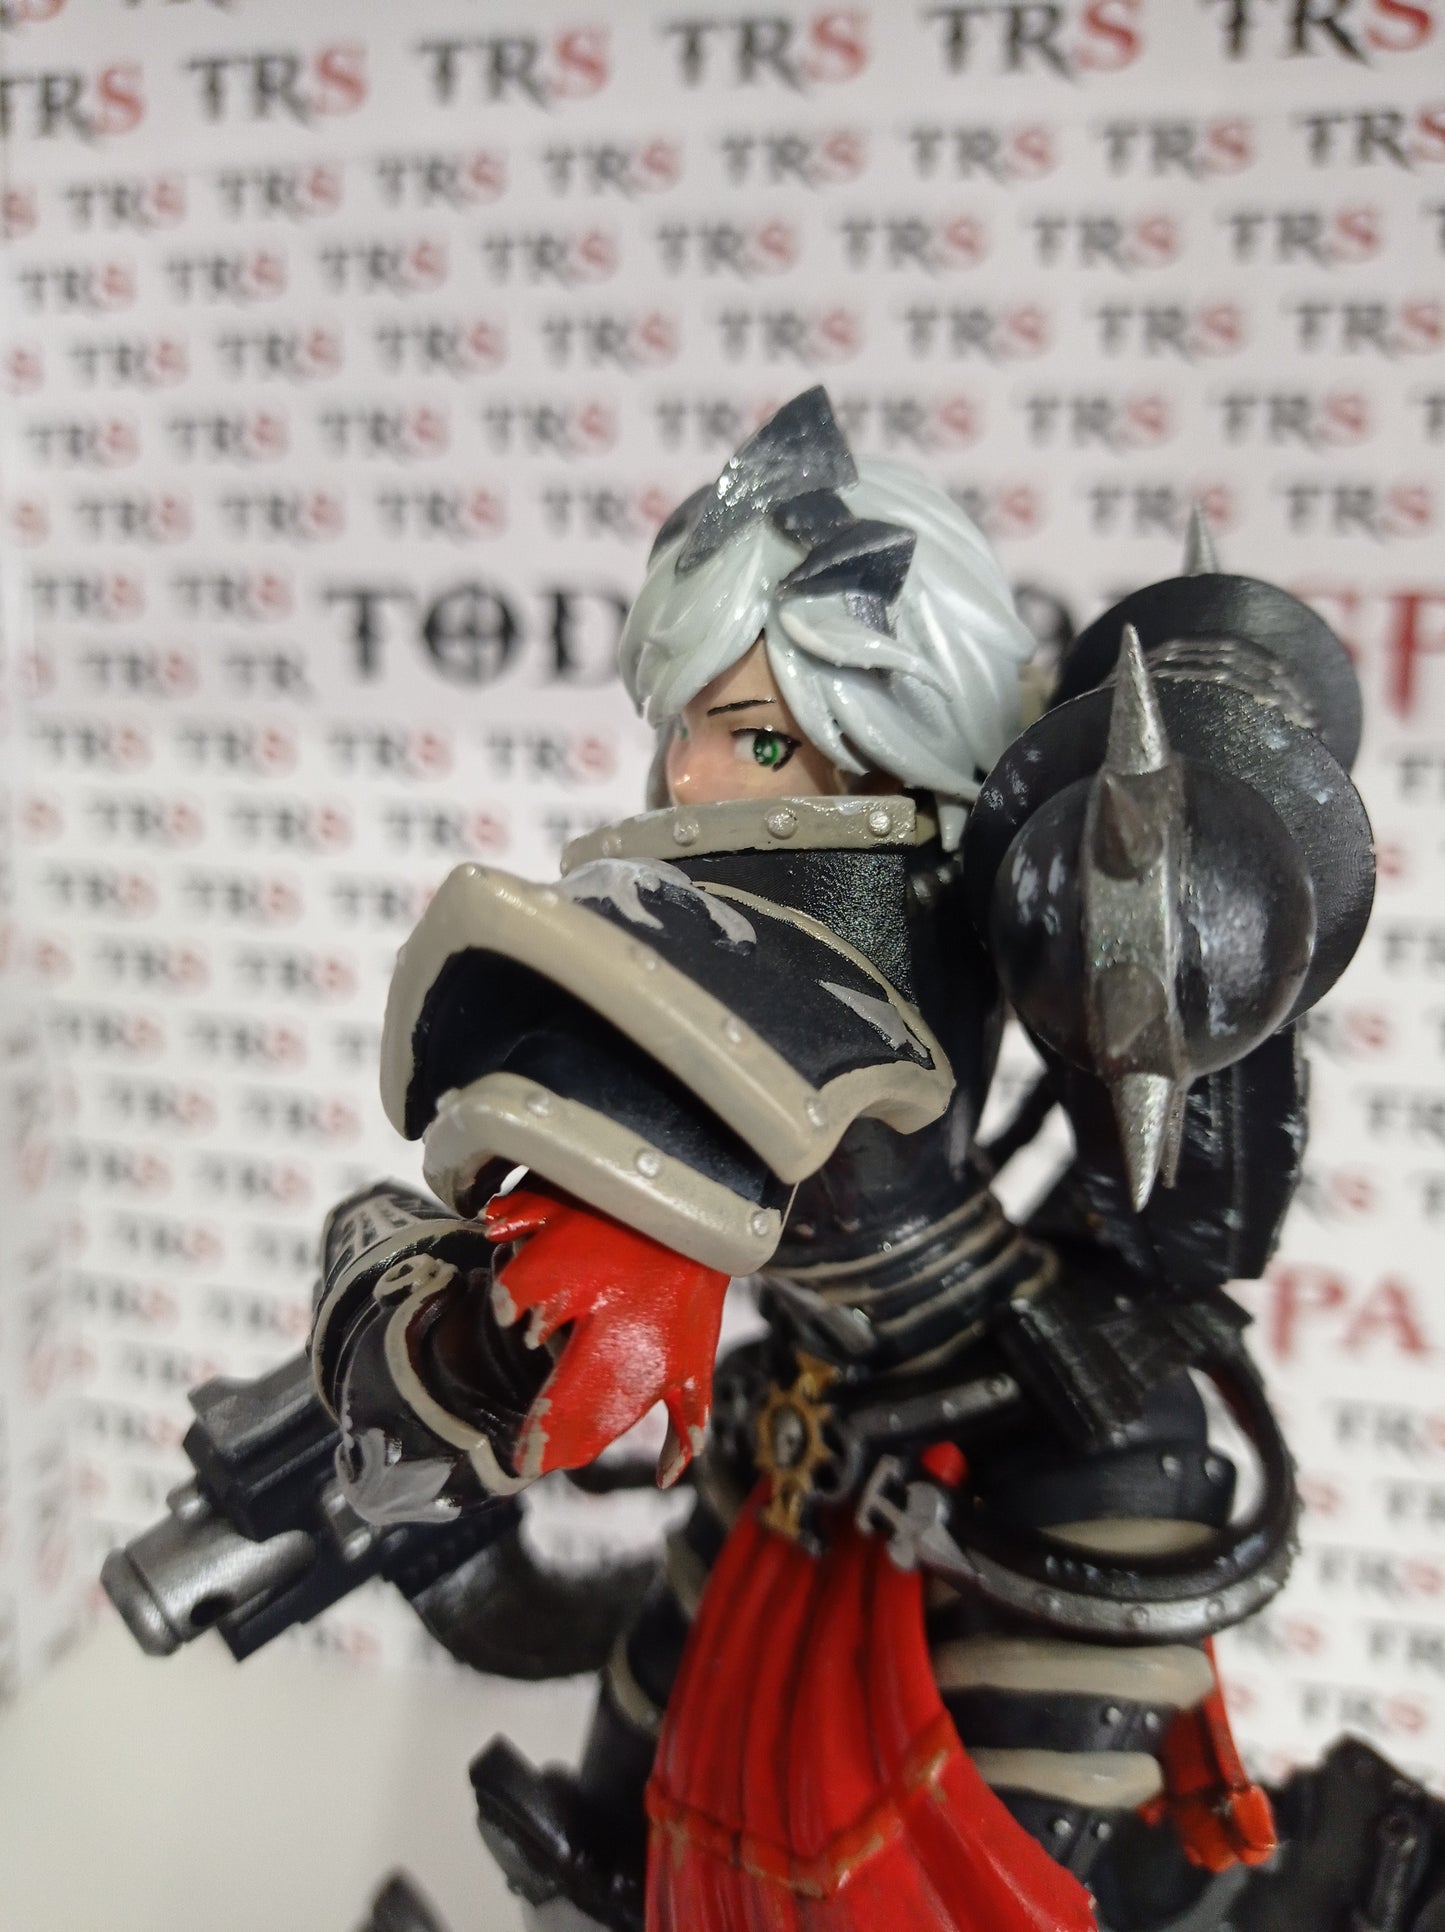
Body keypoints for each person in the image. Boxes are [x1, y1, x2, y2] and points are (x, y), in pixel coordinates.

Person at [109, 390, 1434, 1931]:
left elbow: (682, 1140)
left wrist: (458, 1358)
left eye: (759, 740)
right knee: (623, 1839)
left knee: (974, 1888)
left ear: (901, 759)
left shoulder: (897, 929)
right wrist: (430, 1406)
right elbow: (530, 1552)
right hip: (815, 1411)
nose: (694, 786)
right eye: (686, 731)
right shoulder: (744, 950)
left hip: (1058, 1449)